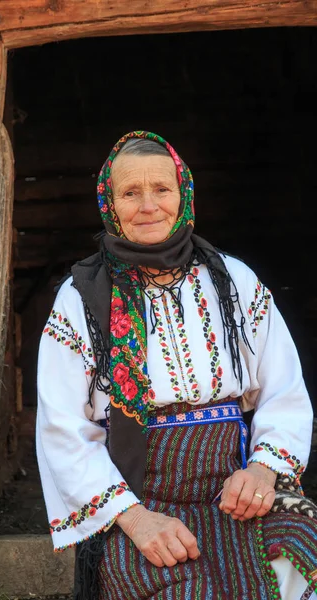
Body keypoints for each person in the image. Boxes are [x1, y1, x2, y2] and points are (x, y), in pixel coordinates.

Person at [37, 131, 317, 599]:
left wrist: (263, 471)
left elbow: (283, 390)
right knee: (171, 582)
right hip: (142, 502)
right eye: (130, 192)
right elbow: (63, 428)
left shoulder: (233, 281)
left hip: (236, 490)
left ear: (183, 194)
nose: (148, 205)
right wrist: (136, 520)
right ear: (109, 203)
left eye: (161, 189)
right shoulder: (79, 299)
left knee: (301, 545)